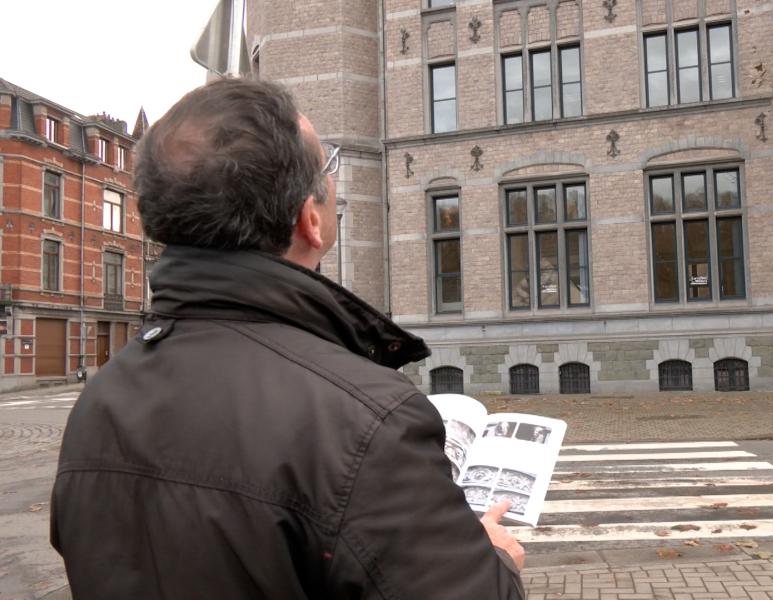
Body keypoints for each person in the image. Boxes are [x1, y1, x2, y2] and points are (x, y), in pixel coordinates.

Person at [50, 79, 525, 599]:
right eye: (328, 168)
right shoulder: (367, 422)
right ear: (309, 220)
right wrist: (494, 557)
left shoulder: (98, 403)